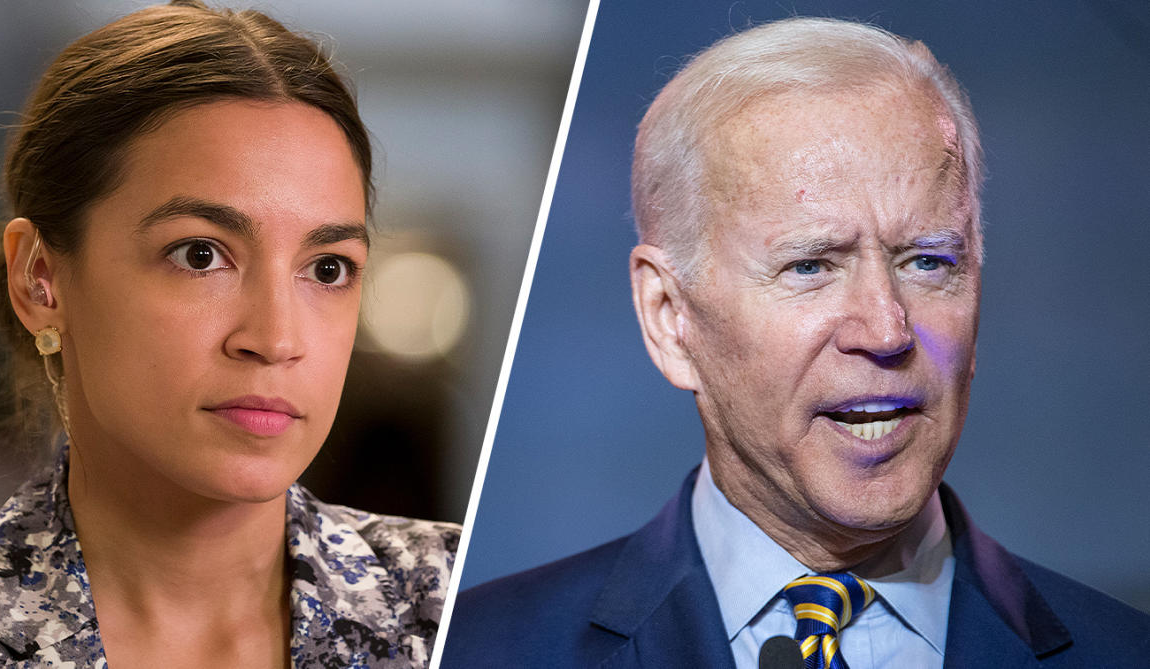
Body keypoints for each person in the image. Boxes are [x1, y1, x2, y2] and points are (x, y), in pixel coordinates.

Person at [442, 17, 1150, 668]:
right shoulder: (484, 649)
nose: (886, 329)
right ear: (668, 315)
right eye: (811, 265)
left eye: (928, 261)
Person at [0, 2, 458, 667]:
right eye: (200, 254)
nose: (276, 338)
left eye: (327, 267)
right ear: (40, 279)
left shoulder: (466, 604)